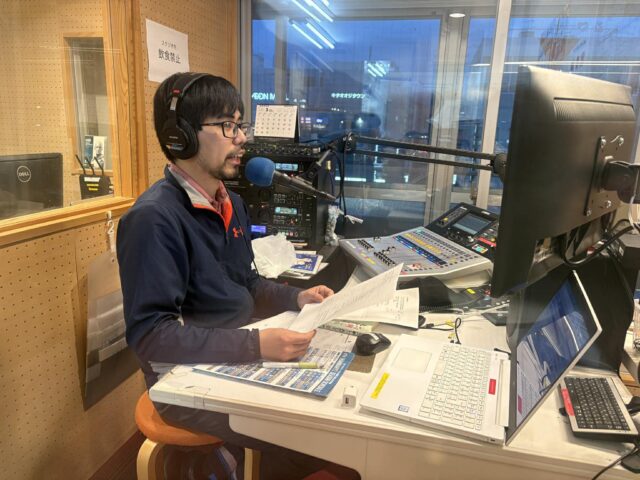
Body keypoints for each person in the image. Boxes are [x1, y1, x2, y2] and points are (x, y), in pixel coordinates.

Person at [117, 72, 357, 480]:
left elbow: (246, 283)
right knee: (321, 436)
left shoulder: (231, 203)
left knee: (337, 410)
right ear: (181, 136)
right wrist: (255, 345)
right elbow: (151, 336)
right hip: (183, 381)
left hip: (235, 355)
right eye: (228, 125)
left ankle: (235, 464)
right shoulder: (153, 220)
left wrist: (296, 298)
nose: (242, 138)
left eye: (240, 124)